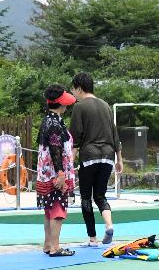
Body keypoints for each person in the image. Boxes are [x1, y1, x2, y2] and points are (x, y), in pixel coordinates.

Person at [69, 72, 123, 247]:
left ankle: (92, 238)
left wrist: (70, 161)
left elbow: (75, 137)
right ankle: (109, 225)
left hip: (89, 155)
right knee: (100, 195)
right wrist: (119, 158)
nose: (72, 93)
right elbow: (115, 133)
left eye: (73, 89)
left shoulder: (80, 107)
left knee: (86, 197)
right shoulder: (106, 105)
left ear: (79, 88)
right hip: (108, 156)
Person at [37, 84, 77, 256]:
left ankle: (48, 245)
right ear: (61, 103)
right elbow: (55, 149)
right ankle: (55, 247)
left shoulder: (48, 120)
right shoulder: (54, 124)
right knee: (58, 209)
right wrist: (61, 174)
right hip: (55, 173)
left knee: (49, 209)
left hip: (46, 172)